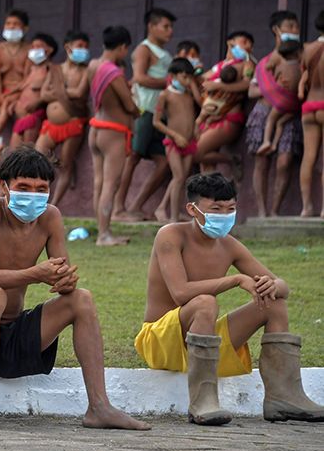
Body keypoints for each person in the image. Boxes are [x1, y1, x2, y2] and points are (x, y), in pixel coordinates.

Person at [0, 147, 149, 431]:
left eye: (40, 189)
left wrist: (65, 281)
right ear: (4, 186)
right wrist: (36, 274)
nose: (32, 195)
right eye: (23, 187)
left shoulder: (50, 217)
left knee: (81, 299)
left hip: (10, 338)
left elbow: (62, 277)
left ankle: (99, 406)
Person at [136, 172, 323, 425]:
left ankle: (284, 397)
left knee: (274, 302)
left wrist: (272, 284)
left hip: (205, 344)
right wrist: (235, 280)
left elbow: (284, 287)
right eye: (215, 208)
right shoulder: (170, 235)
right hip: (160, 342)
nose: (224, 215)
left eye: (230, 209)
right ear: (192, 209)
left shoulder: (229, 245)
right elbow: (180, 293)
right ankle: (203, 402)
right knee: (205, 302)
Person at [114, 8, 176, 221]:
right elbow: (139, 77)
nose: (170, 31)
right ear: (152, 26)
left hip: (160, 113)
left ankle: (135, 206)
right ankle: (118, 209)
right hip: (145, 110)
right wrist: (171, 82)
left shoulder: (164, 53)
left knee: (164, 162)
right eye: (165, 26)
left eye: (171, 27)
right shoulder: (144, 49)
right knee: (133, 158)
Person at [245, 11, 304, 217]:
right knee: (262, 161)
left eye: (296, 26)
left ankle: (275, 210)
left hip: (289, 113)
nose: (294, 30)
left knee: (284, 161)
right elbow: (251, 90)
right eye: (289, 26)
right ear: (276, 30)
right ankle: (261, 212)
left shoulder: (300, 56)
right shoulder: (265, 62)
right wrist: (275, 90)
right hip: (264, 112)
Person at [88, 26, 139, 246]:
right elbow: (129, 106)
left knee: (100, 183)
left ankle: (102, 230)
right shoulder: (114, 72)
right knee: (110, 184)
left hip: (96, 127)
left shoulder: (92, 65)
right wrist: (138, 108)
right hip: (113, 131)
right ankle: (104, 234)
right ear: (121, 47)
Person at [35, 31, 90, 205]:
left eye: (85, 47)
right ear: (68, 47)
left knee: (65, 165)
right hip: (50, 125)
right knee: (37, 157)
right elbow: (43, 94)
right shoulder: (55, 69)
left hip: (73, 123)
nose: (83, 50)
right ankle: (39, 200)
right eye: (79, 46)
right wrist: (67, 93)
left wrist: (57, 92)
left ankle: (54, 205)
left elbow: (81, 93)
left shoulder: (87, 71)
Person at [195, 31, 255, 175]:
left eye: (250, 44)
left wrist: (219, 86)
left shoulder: (247, 64)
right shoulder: (221, 65)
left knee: (195, 153)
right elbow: (203, 79)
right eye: (244, 42)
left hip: (229, 118)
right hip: (210, 116)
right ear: (230, 43)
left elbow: (247, 85)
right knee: (206, 166)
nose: (248, 46)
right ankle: (209, 197)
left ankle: (232, 159)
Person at [152, 58, 198, 223]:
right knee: (178, 177)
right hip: (172, 143)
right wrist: (175, 135)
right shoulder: (165, 95)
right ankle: (173, 217)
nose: (187, 81)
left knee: (182, 178)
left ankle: (177, 212)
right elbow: (156, 122)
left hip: (189, 143)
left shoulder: (188, 95)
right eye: (184, 77)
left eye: (189, 78)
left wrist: (194, 129)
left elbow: (197, 107)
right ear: (173, 75)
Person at [0, 10, 30, 136]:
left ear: (25, 28)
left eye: (16, 24)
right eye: (8, 23)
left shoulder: (29, 48)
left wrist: (6, 96)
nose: (11, 27)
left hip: (19, 91)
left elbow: (26, 79)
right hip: (3, 91)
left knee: (5, 103)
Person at [10, 33, 57, 147]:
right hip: (21, 115)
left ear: (49, 50)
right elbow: (22, 88)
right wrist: (14, 103)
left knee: (28, 152)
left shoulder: (52, 69)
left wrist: (38, 102)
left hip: (34, 114)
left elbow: (55, 92)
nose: (34, 50)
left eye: (38, 46)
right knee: (12, 154)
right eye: (33, 47)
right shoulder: (31, 70)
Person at [257, 40, 302, 155]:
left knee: (271, 119)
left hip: (283, 101)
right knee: (280, 123)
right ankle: (275, 144)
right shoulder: (301, 66)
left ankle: (267, 141)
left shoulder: (282, 67)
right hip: (296, 104)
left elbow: (276, 80)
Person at [299, 10, 324, 217]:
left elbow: (304, 76)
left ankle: (306, 208)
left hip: (308, 106)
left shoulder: (308, 49)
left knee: (309, 157)